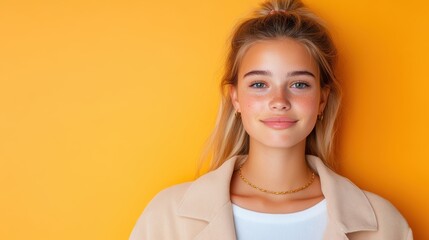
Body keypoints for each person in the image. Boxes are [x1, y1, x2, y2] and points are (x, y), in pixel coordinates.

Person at [129, 0, 413, 239]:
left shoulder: (383, 224)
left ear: (322, 100)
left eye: (299, 84)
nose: (279, 101)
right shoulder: (166, 218)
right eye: (259, 84)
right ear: (235, 98)